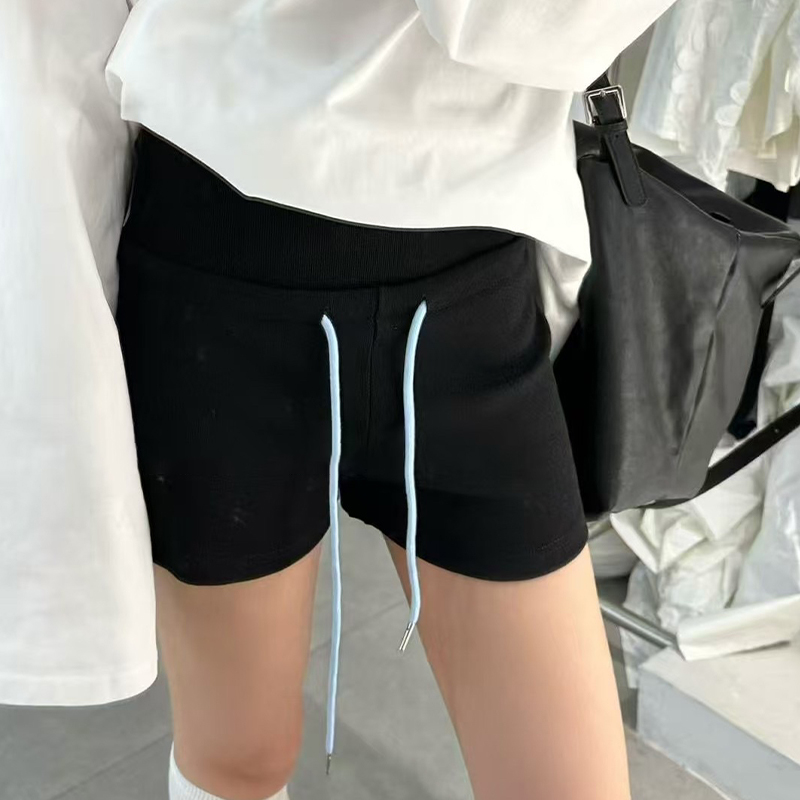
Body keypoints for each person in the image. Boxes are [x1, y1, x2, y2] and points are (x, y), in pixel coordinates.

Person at [103, 2, 678, 799]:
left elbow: (496, 24)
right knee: (237, 759)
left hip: (471, 285)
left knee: (567, 786)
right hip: (219, 251)